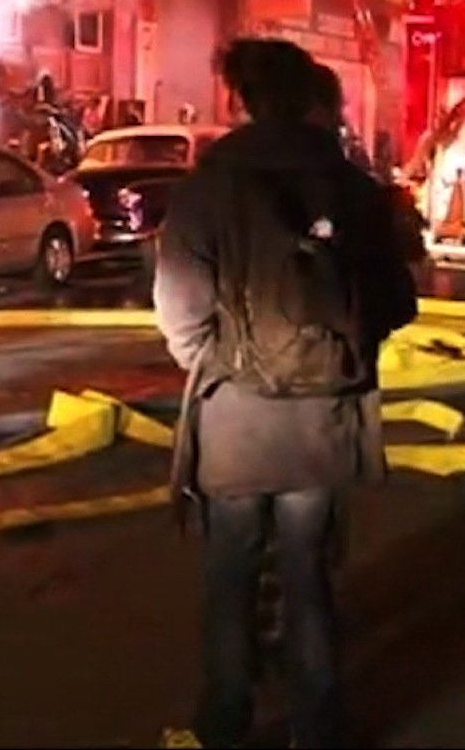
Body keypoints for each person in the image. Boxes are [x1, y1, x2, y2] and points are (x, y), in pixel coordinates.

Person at [154, 39, 418, 749]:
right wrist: (339, 352)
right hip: (322, 417)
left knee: (231, 574)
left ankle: (225, 721)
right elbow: (395, 300)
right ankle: (319, 725)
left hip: (234, 415)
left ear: (243, 100)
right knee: (308, 575)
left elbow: (179, 307)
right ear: (313, 101)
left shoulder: (207, 186)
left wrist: (218, 364)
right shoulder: (354, 190)